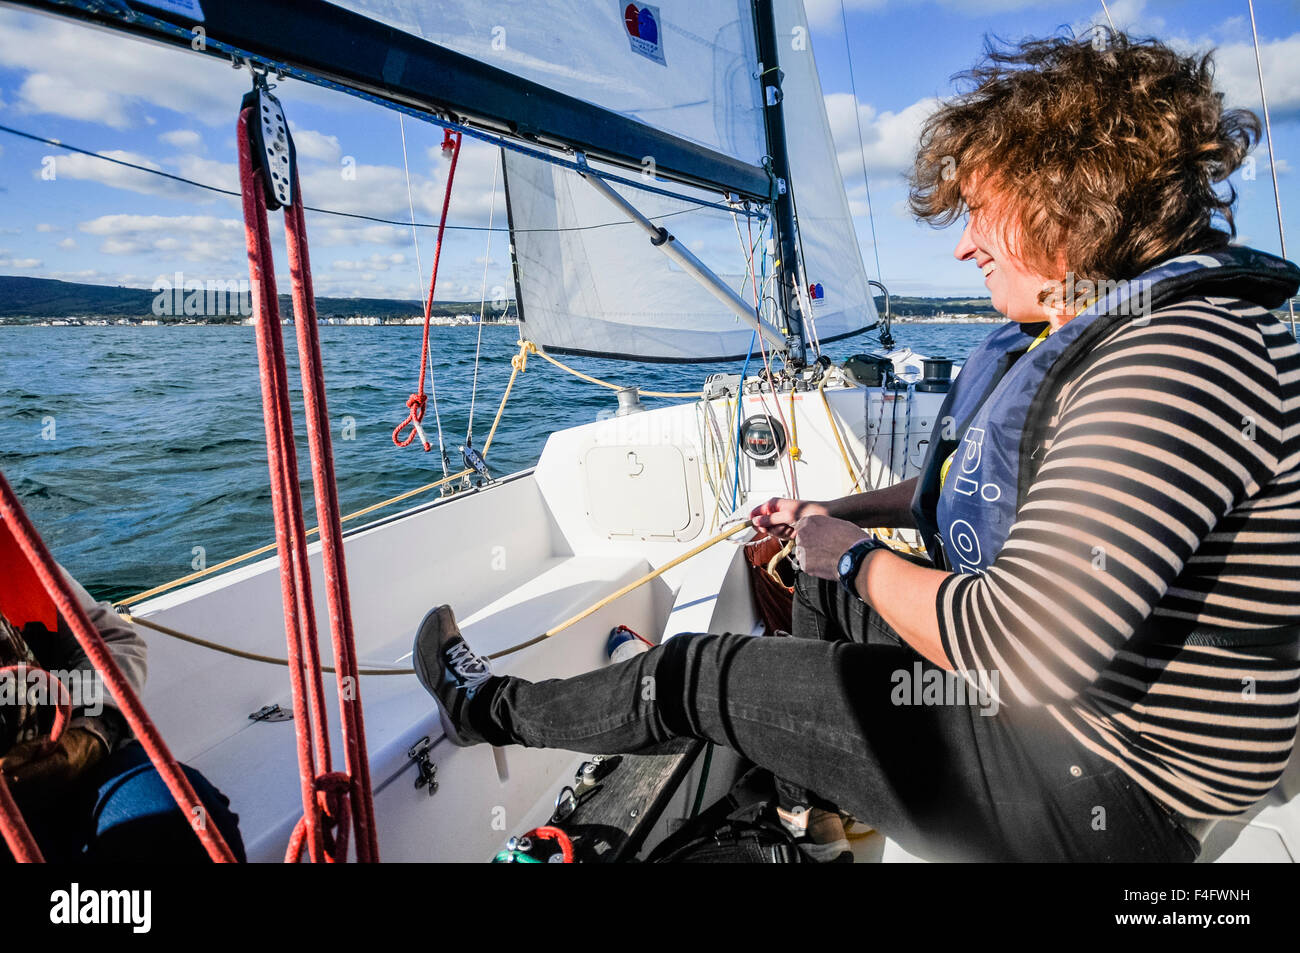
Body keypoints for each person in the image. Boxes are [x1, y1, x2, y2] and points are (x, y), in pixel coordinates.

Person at [412, 29, 1300, 862]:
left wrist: (860, 555)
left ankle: (481, 708)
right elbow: (962, 486)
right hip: (1087, 720)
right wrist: (834, 520)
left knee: (700, 672)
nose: (962, 247)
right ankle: (811, 816)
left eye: (981, 211)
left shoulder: (1175, 356)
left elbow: (1019, 648)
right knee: (816, 580)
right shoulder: (1143, 326)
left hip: (1118, 787)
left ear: (1062, 197)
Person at [0, 527, 246, 863]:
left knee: (189, 820)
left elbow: (110, 641)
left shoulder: (11, 550)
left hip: (67, 764)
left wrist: (89, 735)